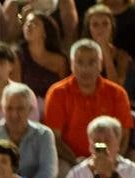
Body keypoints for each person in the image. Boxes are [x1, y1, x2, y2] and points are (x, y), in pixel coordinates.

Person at [43, 39, 133, 170]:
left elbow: (124, 136)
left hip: (112, 158)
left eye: (92, 62)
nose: (86, 68)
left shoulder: (117, 93)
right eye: (79, 62)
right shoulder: (57, 93)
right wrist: (78, 163)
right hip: (71, 161)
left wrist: (109, 160)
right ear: (72, 65)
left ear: (100, 64)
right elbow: (55, 138)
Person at [0, 82, 56, 178]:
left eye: (20, 109)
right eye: (9, 108)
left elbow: (47, 173)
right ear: (2, 109)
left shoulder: (43, 135)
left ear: (30, 110)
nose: (14, 114)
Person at [12, 9, 67, 113]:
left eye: (34, 23)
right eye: (26, 23)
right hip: (27, 109)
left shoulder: (60, 60)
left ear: (45, 32)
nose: (28, 25)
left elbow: (64, 91)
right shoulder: (18, 56)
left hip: (54, 108)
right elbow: (16, 89)